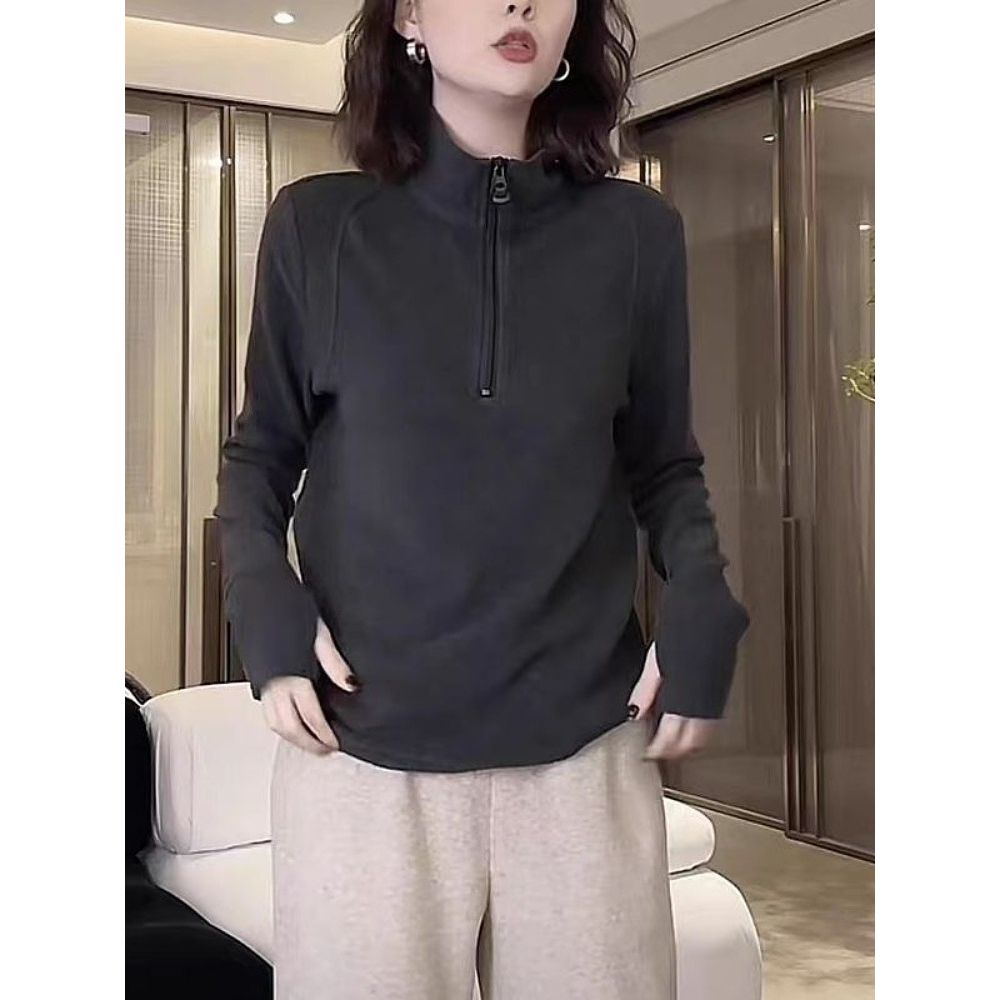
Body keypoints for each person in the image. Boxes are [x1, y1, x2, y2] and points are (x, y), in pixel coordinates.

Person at [214, 1, 751, 997]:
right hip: (362, 754)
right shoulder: (318, 226)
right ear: (410, 15)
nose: (520, 4)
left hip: (584, 756)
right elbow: (259, 459)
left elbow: (663, 464)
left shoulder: (636, 234)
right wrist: (264, 601)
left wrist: (704, 593)